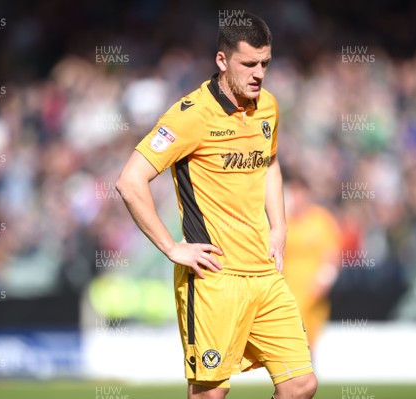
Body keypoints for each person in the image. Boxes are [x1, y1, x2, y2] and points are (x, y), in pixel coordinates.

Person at [116, 12, 316, 399]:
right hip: (214, 279)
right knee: (209, 394)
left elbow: (270, 162)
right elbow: (129, 181)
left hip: (264, 274)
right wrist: (172, 248)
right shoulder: (190, 117)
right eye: (249, 64)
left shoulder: (268, 108)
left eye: (265, 64)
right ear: (222, 61)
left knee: (300, 385)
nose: (259, 74)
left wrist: (280, 227)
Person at [282, 174, 341, 350]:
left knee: (308, 341)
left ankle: (306, 376)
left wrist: (324, 281)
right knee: (291, 341)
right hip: (287, 291)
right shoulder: (283, 222)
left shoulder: (321, 219)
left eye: (299, 192)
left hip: (312, 293)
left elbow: (332, 255)